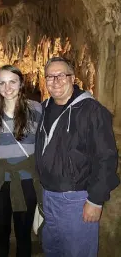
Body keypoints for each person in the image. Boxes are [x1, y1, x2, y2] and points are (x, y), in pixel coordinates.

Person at [35, 57, 120, 257]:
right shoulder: (44, 108)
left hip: (76, 199)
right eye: (50, 76)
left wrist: (96, 200)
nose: (55, 81)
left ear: (72, 78)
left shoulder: (91, 110)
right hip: (48, 195)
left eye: (61, 75)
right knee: (52, 250)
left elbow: (106, 157)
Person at [0, 65, 42, 257]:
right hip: (0, 181)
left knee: (23, 235)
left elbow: (46, 141)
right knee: (1, 234)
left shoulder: (36, 109)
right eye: (2, 82)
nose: (7, 87)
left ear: (21, 84)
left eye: (12, 81)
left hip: (27, 180)